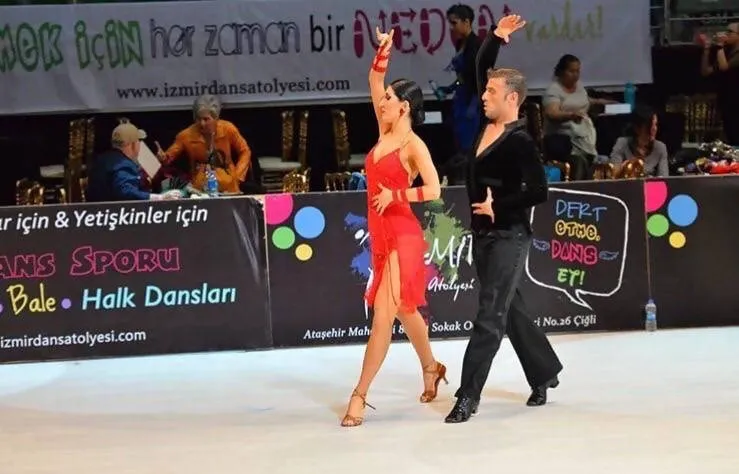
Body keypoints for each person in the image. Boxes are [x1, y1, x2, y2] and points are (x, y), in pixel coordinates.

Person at [445, 17, 564, 424]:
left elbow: (539, 192)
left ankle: (467, 396)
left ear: (512, 99)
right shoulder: (485, 128)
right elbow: (482, 69)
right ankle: (545, 373)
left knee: (490, 315)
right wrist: (495, 39)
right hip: (484, 235)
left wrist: (503, 206)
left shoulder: (520, 141)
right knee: (511, 310)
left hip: (510, 236)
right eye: (485, 90)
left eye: (492, 92)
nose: (484, 95)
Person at [340, 27, 445, 428]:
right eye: (383, 99)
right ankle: (432, 367)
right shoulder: (384, 132)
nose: (381, 101)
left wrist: (399, 197)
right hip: (380, 232)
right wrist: (384, 50)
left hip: (402, 233)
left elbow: (435, 188)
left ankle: (359, 395)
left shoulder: (413, 145)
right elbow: (373, 79)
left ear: (404, 108)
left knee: (384, 314)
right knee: (405, 308)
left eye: (388, 100)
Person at [156, 94, 252, 193]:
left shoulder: (228, 129)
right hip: (200, 187)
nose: (202, 123)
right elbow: (168, 158)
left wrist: (238, 176)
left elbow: (245, 151)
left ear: (216, 118)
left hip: (229, 184)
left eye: (206, 119)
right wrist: (163, 158)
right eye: (198, 119)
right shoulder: (185, 135)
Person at [542, 55, 603, 181]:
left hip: (584, 136)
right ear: (562, 72)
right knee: (579, 162)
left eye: (577, 71)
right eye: (572, 71)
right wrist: (570, 116)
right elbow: (552, 113)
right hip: (563, 141)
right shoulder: (553, 90)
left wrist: (602, 102)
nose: (575, 75)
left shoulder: (579, 87)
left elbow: (586, 102)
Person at [87, 122, 177, 202]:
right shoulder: (124, 165)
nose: (140, 145)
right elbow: (126, 192)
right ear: (132, 144)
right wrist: (160, 198)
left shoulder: (102, 159)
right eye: (138, 141)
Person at [445, 3, 484, 154]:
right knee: (458, 142)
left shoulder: (476, 46)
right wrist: (450, 88)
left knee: (469, 144)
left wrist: (474, 105)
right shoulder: (461, 43)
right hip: (461, 98)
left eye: (454, 23)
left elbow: (478, 78)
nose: (451, 27)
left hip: (472, 101)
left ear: (466, 22)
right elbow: (462, 77)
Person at [699, 23, 739, 145]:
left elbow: (724, 67)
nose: (726, 35)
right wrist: (706, 49)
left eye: (729, 32)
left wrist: (720, 46)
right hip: (727, 100)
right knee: (731, 134)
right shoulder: (725, 52)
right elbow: (706, 71)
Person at [609, 106, 669, 178]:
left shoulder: (660, 147)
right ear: (637, 128)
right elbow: (613, 176)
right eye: (649, 125)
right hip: (626, 187)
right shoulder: (622, 143)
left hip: (651, 188)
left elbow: (664, 179)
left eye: (655, 124)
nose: (654, 129)